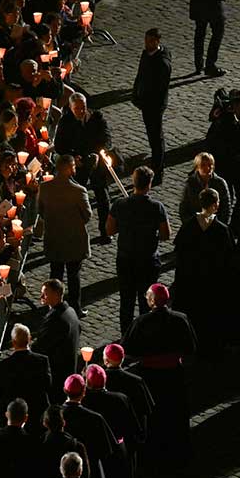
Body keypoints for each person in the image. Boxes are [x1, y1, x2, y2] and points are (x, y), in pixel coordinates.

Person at [123, 283, 198, 460]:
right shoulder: (181, 319)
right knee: (174, 412)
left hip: (149, 376)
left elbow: (129, 350)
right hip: (174, 375)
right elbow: (191, 348)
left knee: (153, 415)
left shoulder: (141, 322)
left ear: (150, 301)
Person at [105, 166, 171, 334]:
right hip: (148, 261)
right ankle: (144, 334)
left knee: (126, 302)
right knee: (146, 301)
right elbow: (165, 234)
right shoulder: (157, 207)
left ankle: (126, 335)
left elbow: (109, 230)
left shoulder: (120, 204)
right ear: (149, 184)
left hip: (126, 260)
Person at [173, 187, 237, 351]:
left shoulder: (187, 228)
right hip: (214, 284)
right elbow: (230, 261)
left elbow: (179, 258)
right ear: (216, 205)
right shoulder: (222, 230)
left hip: (191, 283)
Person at [36, 154, 92, 317]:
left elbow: (41, 210)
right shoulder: (78, 191)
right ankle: (75, 307)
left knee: (56, 272)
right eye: (73, 166)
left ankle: (53, 305)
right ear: (68, 169)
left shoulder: (45, 187)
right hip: (74, 239)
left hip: (54, 237)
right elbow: (87, 215)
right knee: (74, 275)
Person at [53, 93, 113, 239]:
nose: (81, 111)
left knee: (103, 197)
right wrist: (72, 157)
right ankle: (75, 230)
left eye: (83, 108)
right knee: (76, 198)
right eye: (77, 109)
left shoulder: (96, 117)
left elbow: (106, 138)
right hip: (78, 165)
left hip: (95, 161)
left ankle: (105, 230)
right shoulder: (65, 122)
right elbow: (59, 145)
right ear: (71, 108)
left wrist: (98, 153)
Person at [206, 88, 240, 227]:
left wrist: (236, 122)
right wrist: (218, 118)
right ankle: (222, 226)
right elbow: (210, 138)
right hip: (225, 166)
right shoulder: (222, 118)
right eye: (236, 102)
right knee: (225, 198)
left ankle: (235, 224)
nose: (239, 105)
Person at [0, 324, 52, 436]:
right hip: (36, 413)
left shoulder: (4, 365)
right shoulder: (42, 361)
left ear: (13, 342)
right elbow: (47, 385)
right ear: (29, 339)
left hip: (14, 416)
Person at [132, 28, 173, 185]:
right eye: (146, 40)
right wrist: (135, 93)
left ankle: (158, 168)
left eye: (150, 41)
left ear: (157, 41)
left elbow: (160, 89)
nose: (147, 43)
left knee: (156, 137)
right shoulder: (146, 54)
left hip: (154, 106)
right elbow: (140, 74)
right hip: (145, 103)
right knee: (151, 133)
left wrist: (147, 102)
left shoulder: (162, 63)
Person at [32, 279, 81, 402]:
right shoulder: (71, 311)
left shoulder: (57, 319)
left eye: (45, 293)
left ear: (56, 294)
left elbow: (41, 346)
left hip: (57, 373)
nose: (41, 296)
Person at [179, 152, 232, 225]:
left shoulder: (220, 183)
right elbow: (184, 207)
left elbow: (226, 207)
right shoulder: (190, 183)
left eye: (210, 165)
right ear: (197, 167)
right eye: (203, 165)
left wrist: (220, 225)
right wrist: (190, 224)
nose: (207, 168)